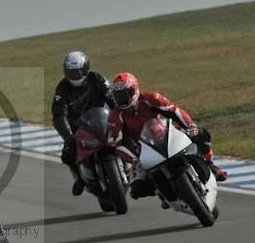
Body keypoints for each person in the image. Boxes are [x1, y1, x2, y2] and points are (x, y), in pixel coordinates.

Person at [107, 72, 228, 200]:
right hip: (142, 152)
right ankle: (163, 194)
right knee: (137, 190)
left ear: (135, 89)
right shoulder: (115, 116)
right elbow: (117, 143)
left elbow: (174, 111)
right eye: (119, 96)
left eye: (126, 94)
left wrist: (190, 127)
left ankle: (210, 164)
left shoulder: (151, 98)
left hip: (166, 135)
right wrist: (134, 159)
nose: (123, 99)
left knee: (201, 134)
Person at [51, 51, 115, 195]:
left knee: (128, 133)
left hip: (103, 120)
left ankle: (137, 165)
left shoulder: (97, 78)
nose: (74, 76)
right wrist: (68, 137)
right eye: (71, 72)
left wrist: (119, 115)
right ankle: (78, 178)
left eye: (78, 71)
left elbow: (111, 98)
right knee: (67, 153)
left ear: (86, 69)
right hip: (79, 128)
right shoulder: (62, 89)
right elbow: (59, 115)